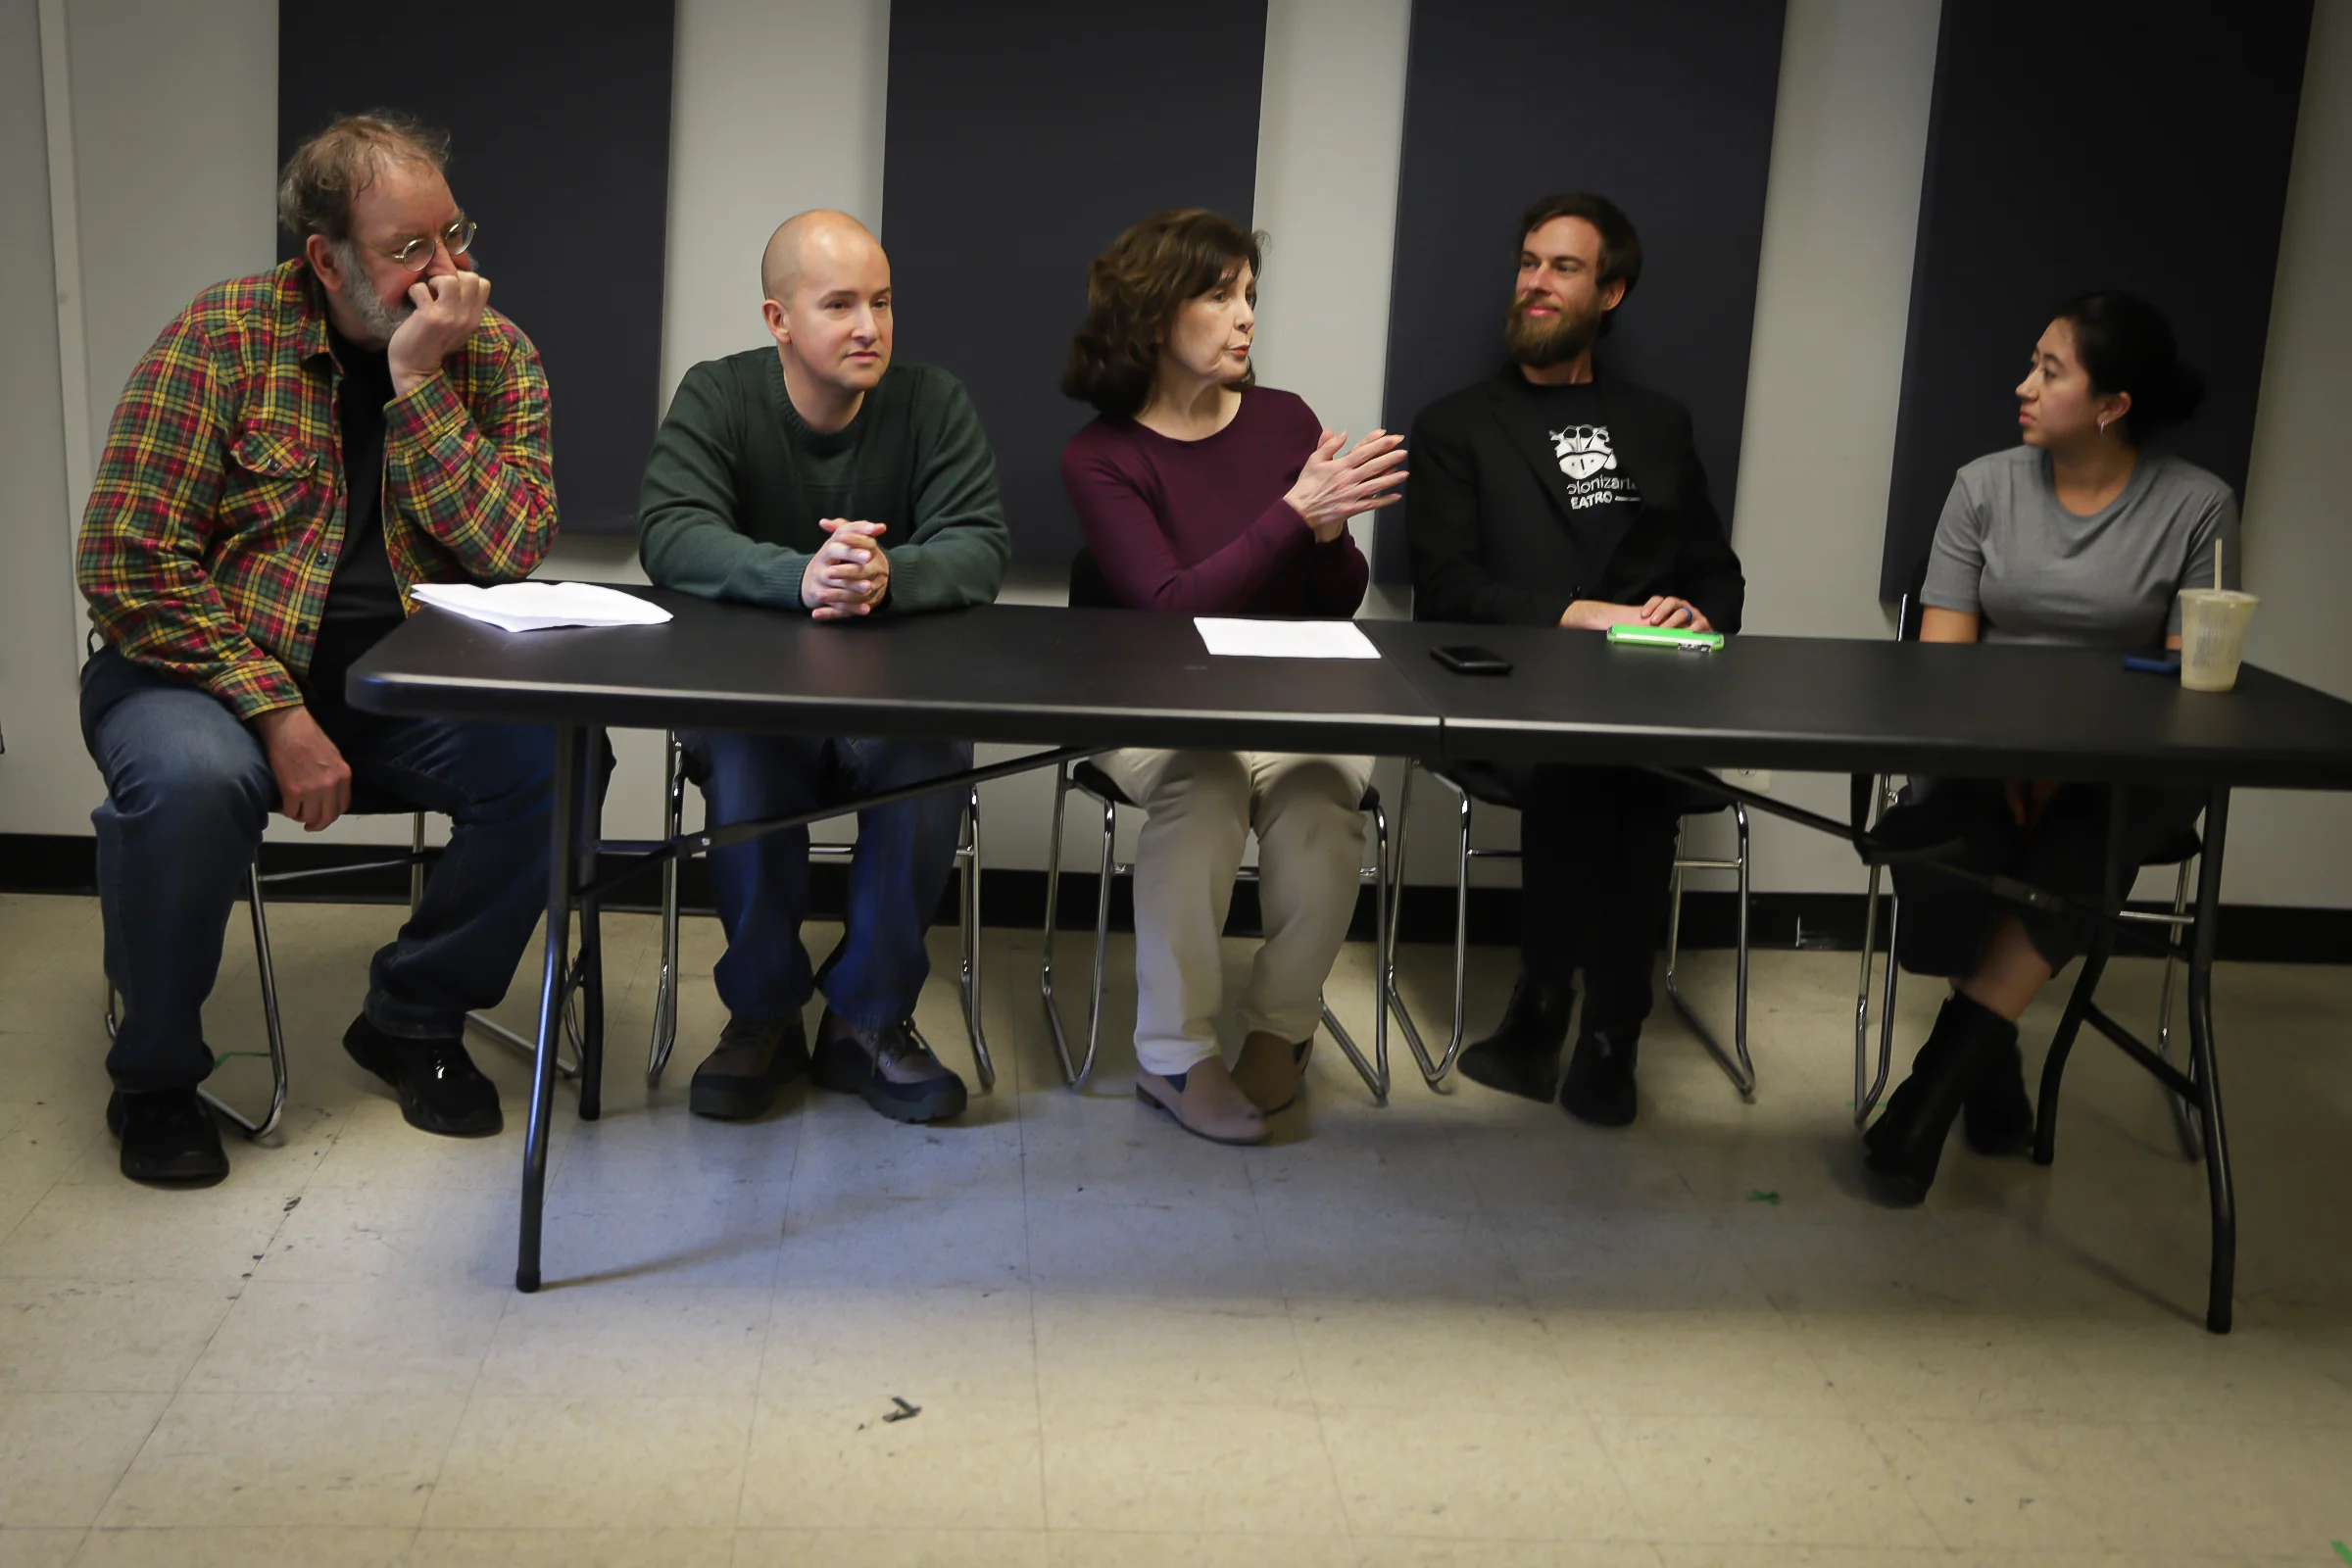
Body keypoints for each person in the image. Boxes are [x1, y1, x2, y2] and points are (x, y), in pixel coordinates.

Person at [76, 112, 559, 1184]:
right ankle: (154, 1074)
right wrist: (273, 711)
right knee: (197, 782)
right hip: (193, 668)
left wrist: (421, 384)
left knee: (553, 757)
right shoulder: (220, 336)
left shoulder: (493, 352)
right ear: (324, 259)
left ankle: (413, 1015)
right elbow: (126, 558)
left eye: (455, 235)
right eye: (407, 251)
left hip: (394, 682)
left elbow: (511, 548)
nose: (448, 271)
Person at [1861, 291, 2235, 1204]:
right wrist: (2013, 760)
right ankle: (1988, 1059)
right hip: (1983, 741)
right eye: (2032, 363)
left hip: (2121, 763)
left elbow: (2195, 679)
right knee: (1951, 834)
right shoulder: (1982, 486)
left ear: (2112, 406)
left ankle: (1928, 1097)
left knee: (2083, 843)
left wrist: (2066, 765)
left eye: (2050, 371)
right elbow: (1944, 665)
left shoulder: (2199, 506)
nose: (2023, 386)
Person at [638, 211, 1008, 1126]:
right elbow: (671, 532)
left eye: (881, 302)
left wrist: (887, 574)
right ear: (778, 319)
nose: (870, 328)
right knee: (746, 747)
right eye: (839, 304)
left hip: (892, 701)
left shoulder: (933, 402)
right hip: (765, 702)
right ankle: (761, 1016)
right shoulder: (718, 398)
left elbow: (980, 545)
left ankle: (867, 1020)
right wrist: (798, 577)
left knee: (927, 751)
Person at [1059, 209, 1406, 1145]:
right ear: (1152, 315)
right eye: (1220, 295)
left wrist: (1328, 535)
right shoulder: (1102, 456)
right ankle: (1173, 1054)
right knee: (1205, 782)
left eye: (1250, 294)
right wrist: (1296, 514)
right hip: (1148, 701)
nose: (1246, 316)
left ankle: (1283, 1030)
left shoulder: (1284, 419)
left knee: (1322, 794)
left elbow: (1335, 598)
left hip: (1280, 697)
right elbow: (1173, 606)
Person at [1406, 192, 1744, 1127]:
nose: (1537, 283)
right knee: (1602, 763)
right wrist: (1574, 614)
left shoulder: (1660, 424)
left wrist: (1692, 609)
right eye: (1527, 263)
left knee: (1626, 761)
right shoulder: (1455, 425)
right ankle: (1599, 1027)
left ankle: (1558, 1011)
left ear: (1612, 292)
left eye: (1563, 267)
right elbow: (1445, 589)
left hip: (1643, 700)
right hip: (1509, 701)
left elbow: (1721, 577)